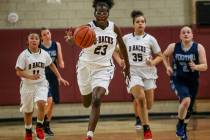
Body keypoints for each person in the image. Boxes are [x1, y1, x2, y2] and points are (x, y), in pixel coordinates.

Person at [65, 0, 130, 140]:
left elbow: (123, 47)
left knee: (97, 99)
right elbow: (74, 41)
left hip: (104, 68)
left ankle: (89, 135)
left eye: (104, 12)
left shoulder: (114, 28)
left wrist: (128, 68)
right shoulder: (87, 27)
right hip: (85, 67)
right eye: (99, 12)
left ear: (108, 13)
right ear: (94, 13)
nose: (101, 14)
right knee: (86, 102)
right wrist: (71, 39)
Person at [115, 10, 163, 140]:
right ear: (133, 25)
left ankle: (141, 115)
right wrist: (119, 60)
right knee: (140, 98)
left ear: (145, 24)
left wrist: (152, 62)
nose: (140, 24)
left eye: (142, 22)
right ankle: (146, 128)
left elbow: (160, 56)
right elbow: (114, 51)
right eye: (138, 22)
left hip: (148, 73)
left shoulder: (151, 39)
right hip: (132, 72)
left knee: (149, 104)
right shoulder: (125, 38)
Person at [15, 33, 69, 140]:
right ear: (28, 41)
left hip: (41, 84)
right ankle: (28, 132)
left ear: (39, 41)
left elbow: (52, 64)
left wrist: (59, 77)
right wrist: (30, 76)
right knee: (28, 111)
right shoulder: (23, 55)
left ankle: (39, 127)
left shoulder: (44, 53)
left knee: (41, 103)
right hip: (27, 85)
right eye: (31, 38)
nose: (34, 40)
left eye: (36, 39)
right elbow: (18, 72)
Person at [163, 26, 207, 140]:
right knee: (186, 100)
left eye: (188, 32)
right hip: (178, 79)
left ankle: (182, 131)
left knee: (189, 109)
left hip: (192, 81)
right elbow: (164, 55)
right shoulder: (174, 46)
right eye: (183, 32)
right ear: (180, 35)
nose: (186, 34)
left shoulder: (199, 47)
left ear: (192, 35)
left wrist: (196, 66)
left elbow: (205, 66)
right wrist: (167, 66)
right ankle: (180, 125)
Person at [40, 27, 65, 136]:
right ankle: (41, 123)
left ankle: (47, 125)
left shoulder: (56, 44)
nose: (47, 35)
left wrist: (61, 63)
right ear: (41, 37)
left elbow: (60, 60)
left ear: (50, 34)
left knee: (52, 102)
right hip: (43, 76)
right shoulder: (39, 47)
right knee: (47, 101)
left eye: (48, 33)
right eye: (44, 34)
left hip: (54, 76)